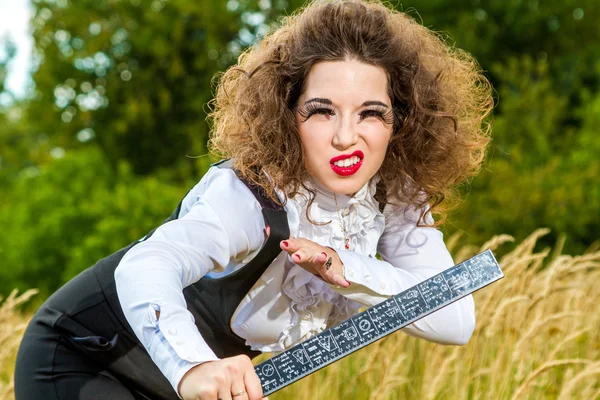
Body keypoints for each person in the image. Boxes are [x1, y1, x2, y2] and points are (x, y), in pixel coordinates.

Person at [14, 0, 493, 399]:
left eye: (371, 113)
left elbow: (455, 319)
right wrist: (194, 368)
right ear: (288, 116)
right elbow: (144, 266)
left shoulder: (397, 195)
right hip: (84, 358)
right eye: (321, 111)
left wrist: (348, 269)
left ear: (400, 121)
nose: (347, 137)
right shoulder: (247, 195)